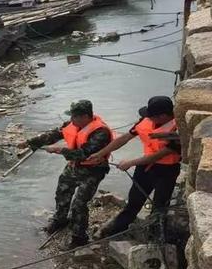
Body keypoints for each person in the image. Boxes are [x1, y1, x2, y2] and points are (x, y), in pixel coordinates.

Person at [18, 100, 114, 249]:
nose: (71, 120)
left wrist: (59, 150)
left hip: (93, 170)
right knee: (62, 191)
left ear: (85, 116)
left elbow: (83, 154)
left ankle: (79, 237)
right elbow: (54, 134)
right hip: (73, 167)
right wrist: (30, 142)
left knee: (79, 204)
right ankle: (60, 219)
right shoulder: (72, 124)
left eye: (74, 117)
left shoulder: (101, 132)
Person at [88, 96, 181, 240]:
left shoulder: (179, 129)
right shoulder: (145, 121)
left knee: (160, 207)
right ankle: (115, 231)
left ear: (163, 116)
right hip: (145, 169)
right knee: (133, 203)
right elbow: (124, 138)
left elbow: (159, 155)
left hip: (167, 172)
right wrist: (101, 153)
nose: (148, 119)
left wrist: (130, 162)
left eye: (152, 116)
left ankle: (156, 237)